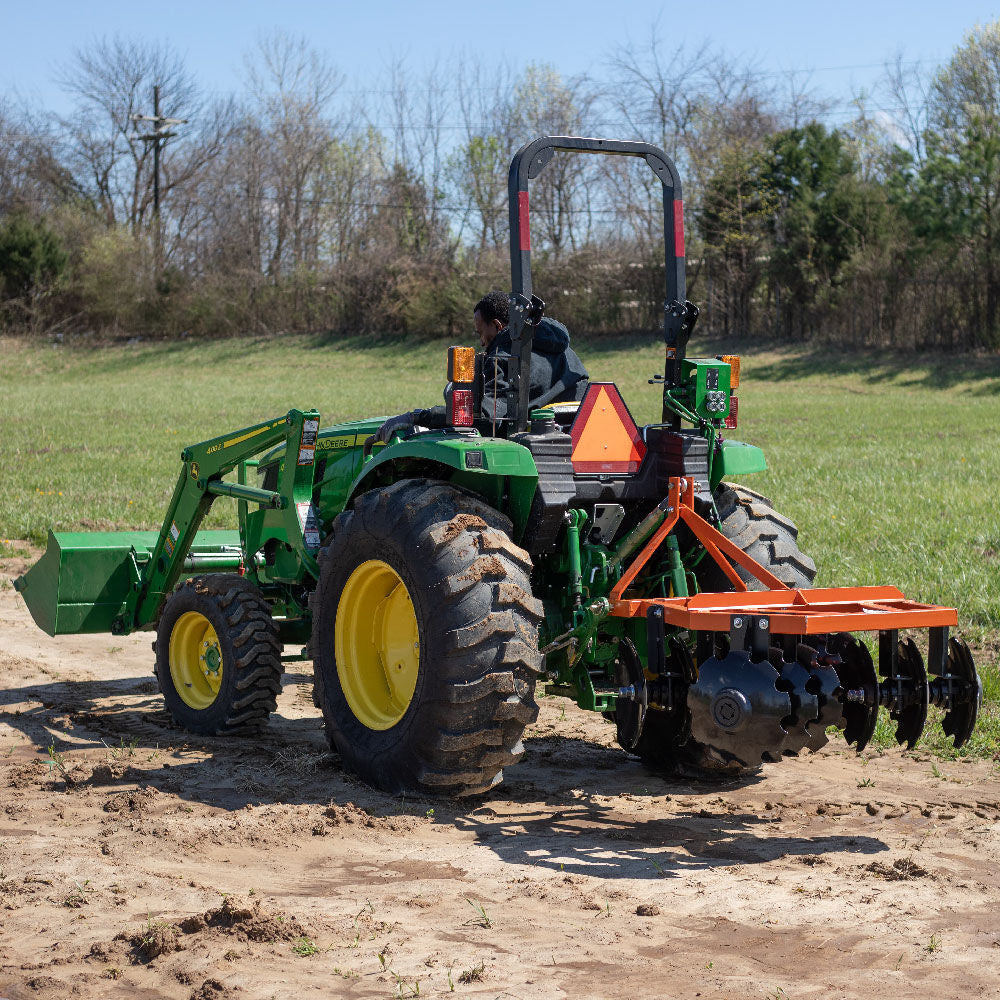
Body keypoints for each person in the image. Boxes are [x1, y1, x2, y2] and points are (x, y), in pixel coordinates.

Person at [370, 290, 589, 446]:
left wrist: (418, 417)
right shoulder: (565, 352)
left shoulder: (503, 360)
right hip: (575, 438)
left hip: (527, 448)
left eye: (480, 333)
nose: (482, 342)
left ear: (497, 325)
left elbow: (484, 416)